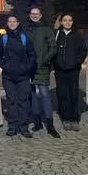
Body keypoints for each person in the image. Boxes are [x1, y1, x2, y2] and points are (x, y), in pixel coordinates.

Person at [24, 7, 60, 138]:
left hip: (42, 66)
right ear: (29, 15)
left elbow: (53, 47)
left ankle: (50, 126)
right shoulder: (26, 29)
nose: (34, 15)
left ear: (40, 16)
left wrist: (45, 60)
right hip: (30, 67)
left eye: (37, 14)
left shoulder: (46, 29)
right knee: (33, 94)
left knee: (45, 94)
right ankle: (37, 122)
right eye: (32, 13)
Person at [0, 15, 36, 138]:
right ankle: (12, 126)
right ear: (7, 23)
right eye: (9, 21)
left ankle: (23, 126)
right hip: (8, 76)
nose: (12, 23)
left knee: (23, 101)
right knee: (11, 101)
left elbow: (32, 55)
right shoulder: (4, 38)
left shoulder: (24, 37)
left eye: (14, 21)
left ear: (18, 23)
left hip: (23, 76)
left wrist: (26, 67)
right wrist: (4, 66)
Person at [53, 13, 87, 131]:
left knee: (73, 94)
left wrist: (77, 62)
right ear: (61, 22)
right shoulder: (57, 34)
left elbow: (83, 50)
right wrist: (55, 64)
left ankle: (74, 119)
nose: (67, 22)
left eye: (70, 20)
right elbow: (52, 50)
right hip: (60, 70)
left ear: (72, 22)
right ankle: (65, 118)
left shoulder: (77, 35)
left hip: (73, 70)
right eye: (65, 20)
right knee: (62, 94)